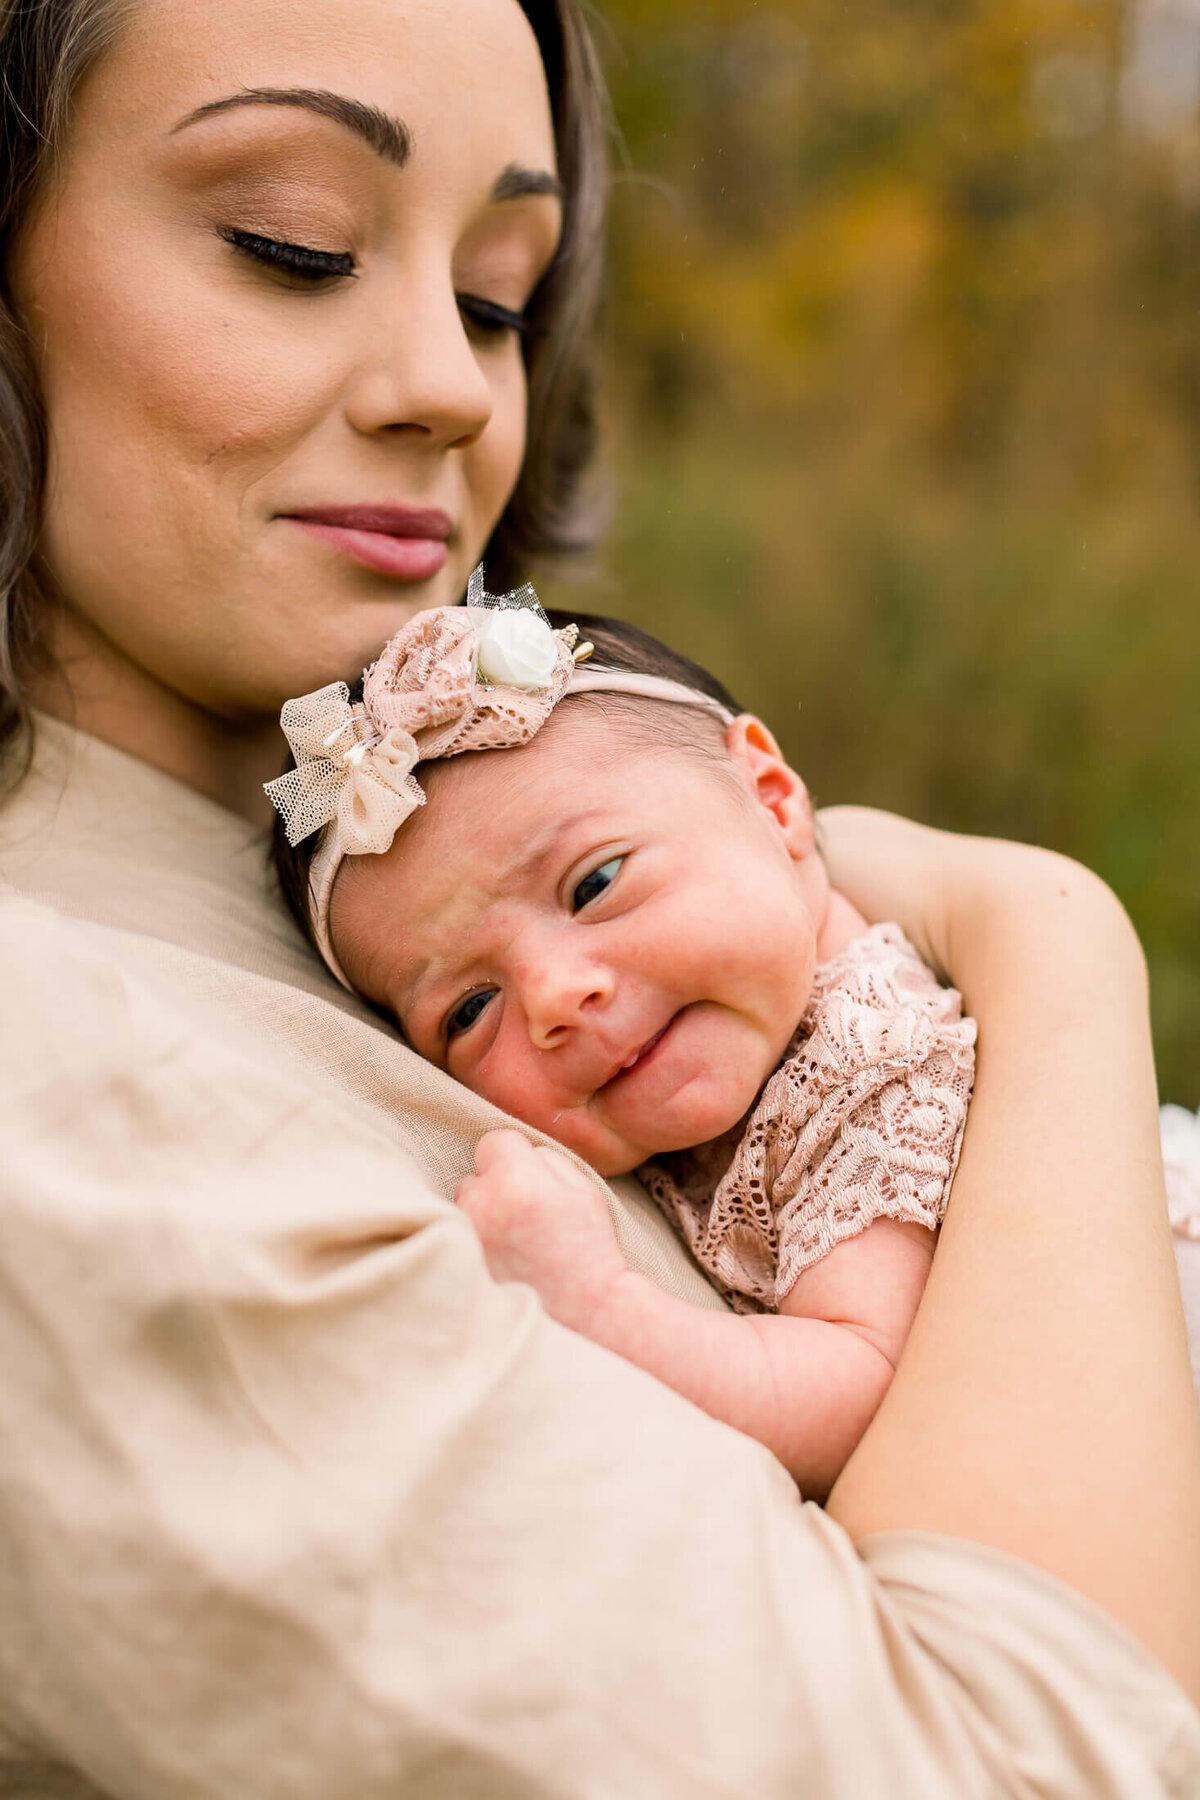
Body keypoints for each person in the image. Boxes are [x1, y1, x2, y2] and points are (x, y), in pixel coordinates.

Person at [0, 0, 1198, 1794]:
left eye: (499, 296)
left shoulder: (408, 852)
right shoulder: (61, 1074)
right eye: (292, 243)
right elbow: (1024, 1763)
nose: (454, 383)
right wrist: (1052, 944)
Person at [268, 593, 977, 1501]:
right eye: (471, 1008)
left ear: (771, 800)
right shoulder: (727, 1035)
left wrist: (598, 1301)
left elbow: (864, 1401)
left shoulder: (872, 1060)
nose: (557, 997)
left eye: (595, 882)